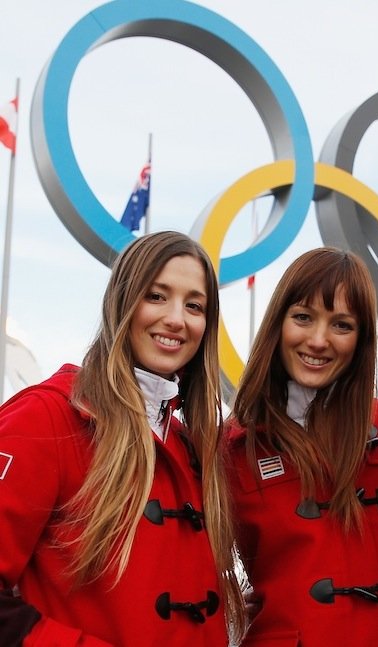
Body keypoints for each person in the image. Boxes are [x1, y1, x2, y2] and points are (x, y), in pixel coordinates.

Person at [0, 231, 245, 646]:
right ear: (122, 302)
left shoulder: (193, 448)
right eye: (156, 296)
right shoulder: (46, 418)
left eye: (194, 305)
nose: (176, 318)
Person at [226, 247, 378, 645]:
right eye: (303, 318)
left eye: (342, 325)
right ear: (278, 322)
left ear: (362, 339)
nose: (319, 340)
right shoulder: (231, 448)